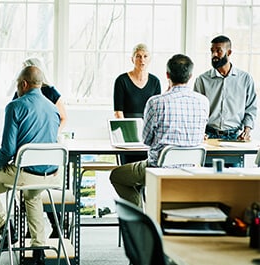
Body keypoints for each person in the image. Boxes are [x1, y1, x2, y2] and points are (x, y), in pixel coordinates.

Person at [0, 65, 60, 265]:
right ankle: (39, 251)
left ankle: (5, 229)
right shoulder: (53, 108)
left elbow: (8, 150)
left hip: (25, 174)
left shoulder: (15, 106)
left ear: (23, 84)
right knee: (32, 196)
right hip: (50, 174)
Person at [110, 54, 209, 206]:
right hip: (191, 169)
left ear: (167, 75)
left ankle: (139, 221)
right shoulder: (203, 102)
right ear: (190, 76)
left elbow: (146, 140)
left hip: (158, 169)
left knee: (117, 176)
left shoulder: (156, 102)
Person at [13, 57, 67, 238]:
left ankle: (54, 225)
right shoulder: (20, 93)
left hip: (45, 148)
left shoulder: (51, 92)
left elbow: (63, 117)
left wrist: (49, 133)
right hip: (29, 149)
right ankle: (35, 229)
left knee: (36, 188)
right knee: (34, 189)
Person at [194, 35, 257, 141]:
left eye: (218, 51)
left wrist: (247, 130)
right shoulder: (202, 80)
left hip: (235, 136)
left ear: (229, 52)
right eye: (212, 51)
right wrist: (198, 132)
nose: (214, 55)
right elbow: (196, 110)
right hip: (207, 135)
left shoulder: (245, 79)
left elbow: (251, 108)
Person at [113, 43, 161, 164]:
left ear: (149, 59)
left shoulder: (155, 81)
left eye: (145, 56)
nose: (142, 60)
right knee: (128, 169)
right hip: (128, 133)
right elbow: (118, 112)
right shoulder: (122, 80)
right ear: (132, 59)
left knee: (147, 170)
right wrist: (129, 136)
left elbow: (157, 112)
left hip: (149, 134)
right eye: (138, 56)